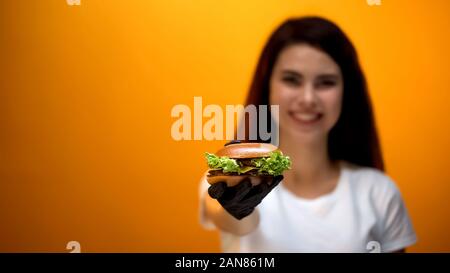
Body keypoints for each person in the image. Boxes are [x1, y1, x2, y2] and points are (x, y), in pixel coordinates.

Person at [198, 16, 417, 252]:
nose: (308, 99)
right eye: (292, 80)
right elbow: (229, 219)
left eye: (325, 82)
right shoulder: (227, 179)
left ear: (347, 91)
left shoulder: (379, 192)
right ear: (267, 85)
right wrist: (235, 208)